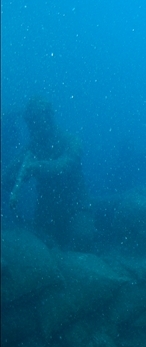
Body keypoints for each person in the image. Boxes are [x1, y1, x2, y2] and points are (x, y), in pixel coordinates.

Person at [3, 96, 88, 246]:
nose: (32, 128)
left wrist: (37, 167)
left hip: (77, 208)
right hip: (46, 213)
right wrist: (12, 178)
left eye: (36, 121)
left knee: (81, 242)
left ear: (48, 118)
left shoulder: (71, 141)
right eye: (29, 123)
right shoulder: (32, 148)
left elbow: (65, 164)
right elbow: (7, 176)